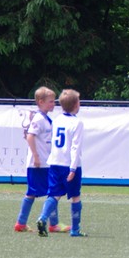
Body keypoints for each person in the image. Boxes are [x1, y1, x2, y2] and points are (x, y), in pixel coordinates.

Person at [37, 89, 86, 238]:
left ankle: (43, 218)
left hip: (55, 163)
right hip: (68, 164)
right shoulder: (77, 122)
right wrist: (73, 168)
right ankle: (75, 230)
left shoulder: (57, 120)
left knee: (54, 194)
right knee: (75, 196)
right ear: (76, 105)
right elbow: (75, 147)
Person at [13, 87, 57, 232]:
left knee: (46, 191)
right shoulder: (39, 119)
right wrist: (36, 156)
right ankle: (52, 224)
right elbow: (30, 136)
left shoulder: (44, 118)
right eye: (50, 101)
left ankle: (22, 223)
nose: (53, 104)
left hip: (45, 162)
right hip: (39, 163)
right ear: (40, 102)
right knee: (50, 191)